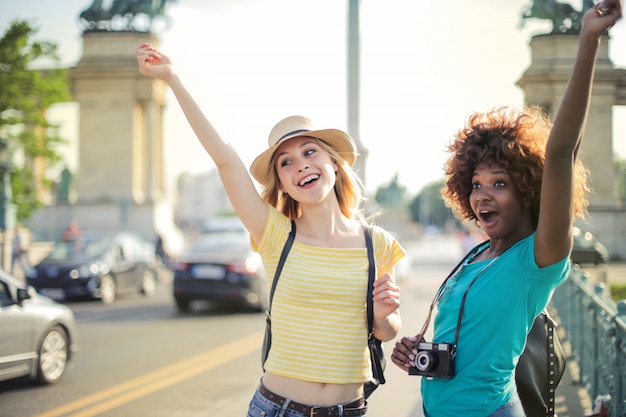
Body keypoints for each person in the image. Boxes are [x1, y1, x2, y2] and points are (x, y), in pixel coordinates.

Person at [135, 43, 406, 417]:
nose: (301, 166)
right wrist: (172, 79)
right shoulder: (275, 233)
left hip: (351, 409)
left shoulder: (377, 244)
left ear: (333, 162)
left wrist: (383, 314)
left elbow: (387, 330)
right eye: (286, 162)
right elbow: (225, 160)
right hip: (279, 409)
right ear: (281, 182)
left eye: (310, 152)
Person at [391, 2, 622, 417]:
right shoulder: (479, 254)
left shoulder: (537, 259)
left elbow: (561, 153)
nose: (482, 196)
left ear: (528, 191)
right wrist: (418, 351)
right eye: (476, 185)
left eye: (499, 183)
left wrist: (589, 38)